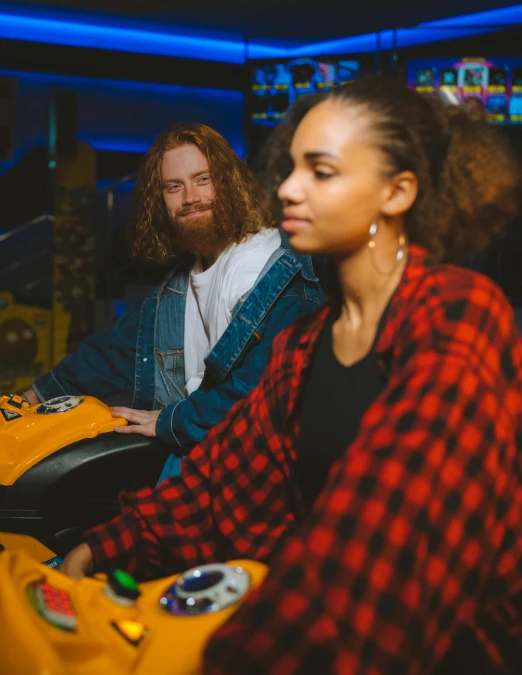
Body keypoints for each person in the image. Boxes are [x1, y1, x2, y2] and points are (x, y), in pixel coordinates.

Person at [60, 78, 522, 674]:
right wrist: (106, 544)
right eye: (292, 167)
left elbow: (380, 541)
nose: (288, 188)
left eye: (321, 172)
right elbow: (223, 483)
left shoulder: (456, 313)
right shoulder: (306, 344)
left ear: (397, 192)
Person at [24, 123, 322, 479]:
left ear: (230, 183)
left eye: (203, 179)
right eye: (174, 187)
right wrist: (33, 396)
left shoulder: (273, 271)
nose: (190, 197)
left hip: (259, 464)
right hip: (199, 450)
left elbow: (261, 393)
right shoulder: (179, 284)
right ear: (160, 201)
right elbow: (114, 350)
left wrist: (173, 422)